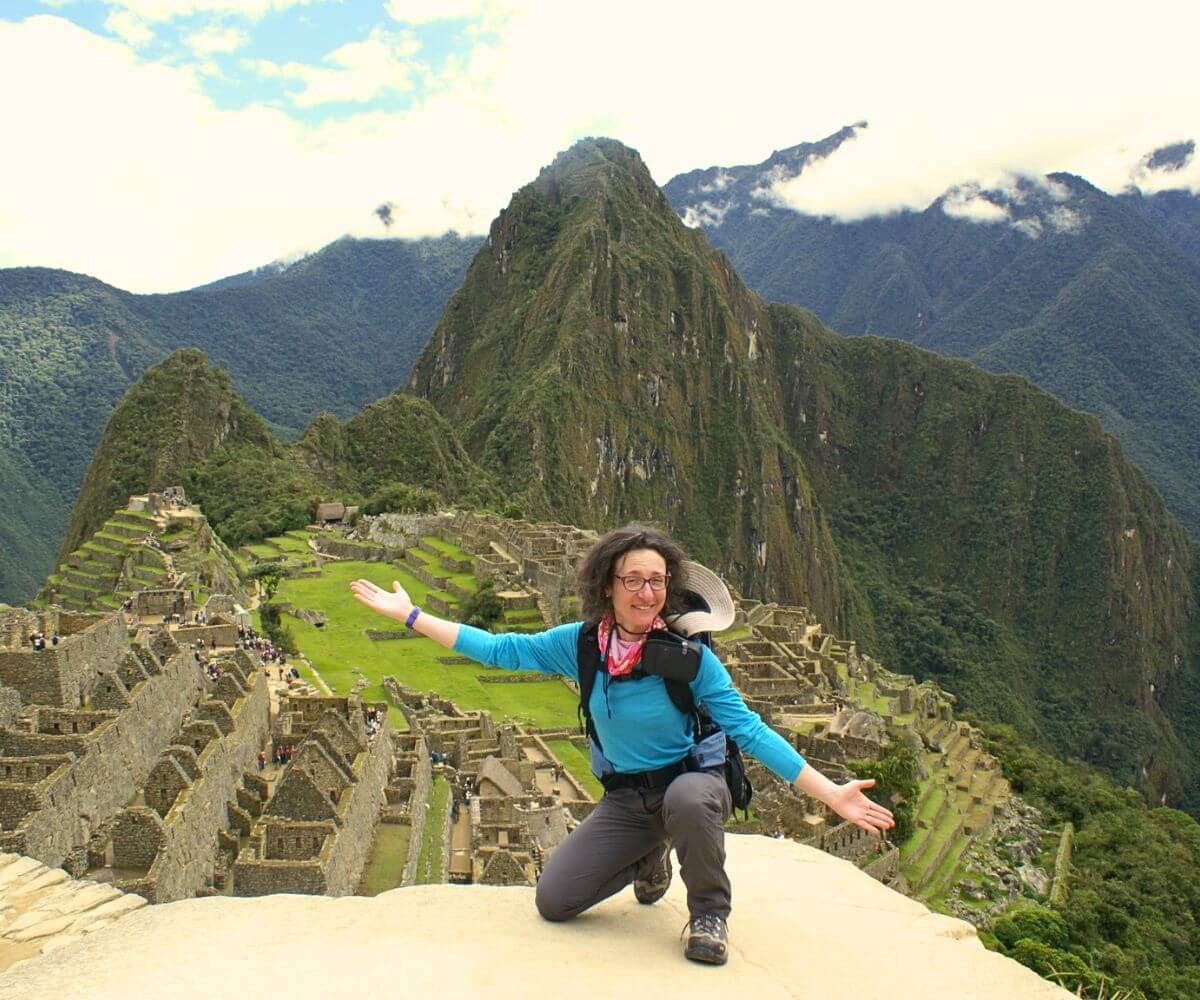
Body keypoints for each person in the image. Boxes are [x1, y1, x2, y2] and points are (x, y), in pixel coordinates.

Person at [351, 523, 893, 966]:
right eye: (633, 579)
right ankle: (647, 856)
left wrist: (830, 795)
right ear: (607, 586)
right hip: (627, 801)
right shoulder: (581, 646)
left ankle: (709, 913)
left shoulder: (690, 661)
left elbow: (749, 730)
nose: (646, 592)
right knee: (554, 900)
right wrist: (413, 617)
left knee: (685, 799)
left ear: (669, 588)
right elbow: (499, 649)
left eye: (656, 581)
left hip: (694, 785)